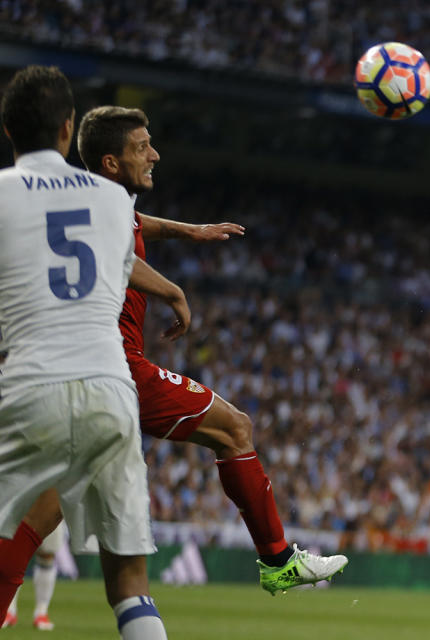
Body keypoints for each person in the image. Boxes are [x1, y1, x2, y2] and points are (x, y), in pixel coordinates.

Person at [0, 105, 347, 610]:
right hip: (115, 365)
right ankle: (278, 562)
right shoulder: (104, 209)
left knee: (39, 514)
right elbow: (121, 249)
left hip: (70, 368)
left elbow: (136, 224)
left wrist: (189, 230)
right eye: (142, 147)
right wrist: (173, 290)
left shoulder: (88, 200)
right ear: (111, 162)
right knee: (234, 429)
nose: (155, 154)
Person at [0, 65, 185, 639]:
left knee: (8, 544)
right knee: (130, 583)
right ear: (68, 127)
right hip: (111, 392)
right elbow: (125, 263)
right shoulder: (110, 202)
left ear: (8, 131)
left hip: (33, 385)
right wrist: (176, 288)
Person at [1, 522, 65, 630]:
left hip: (49, 507)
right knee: (13, 552)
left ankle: (41, 613)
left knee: (47, 553)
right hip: (18, 506)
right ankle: (8, 611)